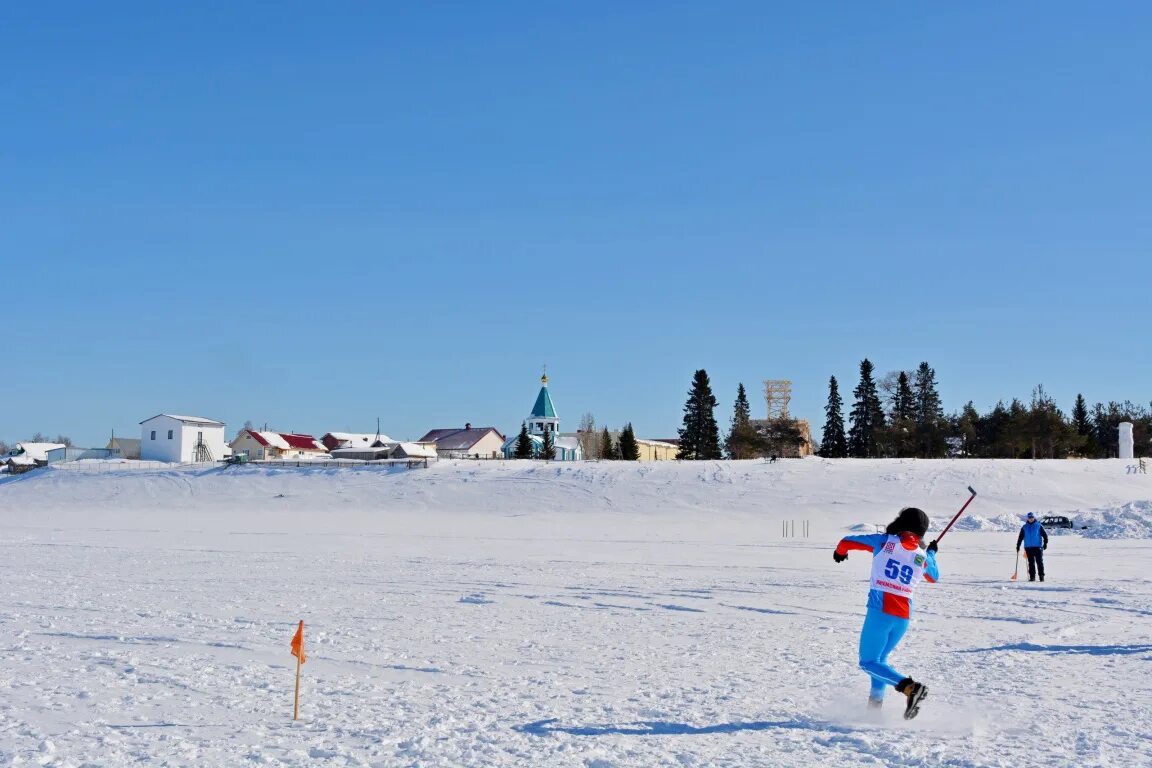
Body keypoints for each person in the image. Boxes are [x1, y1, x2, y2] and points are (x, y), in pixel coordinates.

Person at [833, 507, 939, 719]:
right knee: (880, 660)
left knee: (868, 662)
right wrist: (931, 553)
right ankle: (874, 709)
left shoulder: (884, 542)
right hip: (903, 616)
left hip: (881, 610)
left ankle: (910, 688)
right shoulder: (922, 556)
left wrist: (840, 553)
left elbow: (846, 541)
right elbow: (933, 576)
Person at [1016, 512, 1049, 582]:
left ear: (1034, 518)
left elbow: (1045, 535)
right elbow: (1020, 537)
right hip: (1028, 548)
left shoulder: (1039, 526)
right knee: (1031, 563)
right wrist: (1018, 545)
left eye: (1032, 517)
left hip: (1038, 547)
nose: (1030, 519)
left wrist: (1045, 543)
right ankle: (1032, 577)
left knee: (1039, 562)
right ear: (1027, 518)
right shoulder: (1024, 527)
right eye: (1029, 517)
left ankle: (1041, 576)